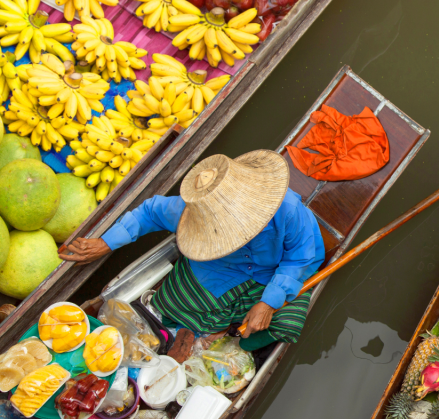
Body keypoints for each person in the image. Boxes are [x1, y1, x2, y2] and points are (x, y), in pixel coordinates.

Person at [61, 150, 326, 351]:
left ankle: (229, 332)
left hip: (277, 270)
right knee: (173, 304)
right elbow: (149, 211)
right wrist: (106, 243)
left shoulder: (288, 210)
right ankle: (215, 329)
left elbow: (299, 257)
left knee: (287, 321)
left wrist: (268, 302)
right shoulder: (192, 213)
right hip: (221, 267)